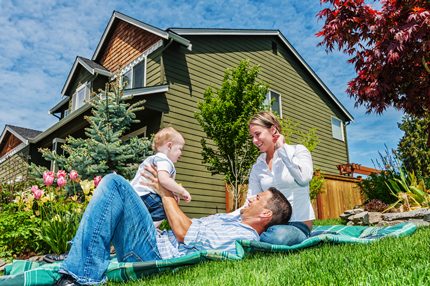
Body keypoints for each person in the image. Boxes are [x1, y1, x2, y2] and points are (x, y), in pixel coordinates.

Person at [56, 168, 292, 285]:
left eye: (258, 198)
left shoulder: (240, 234)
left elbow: (185, 232)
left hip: (151, 252)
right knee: (117, 193)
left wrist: (165, 193)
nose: (251, 198)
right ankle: (78, 257)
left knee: (115, 184)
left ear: (265, 213)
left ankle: (81, 279)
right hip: (155, 240)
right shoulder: (232, 220)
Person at [247, 111, 315, 245]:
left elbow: (304, 178)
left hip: (297, 224)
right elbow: (250, 199)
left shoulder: (298, 151)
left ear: (272, 130)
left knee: (276, 237)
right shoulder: (258, 166)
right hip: (267, 224)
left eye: (257, 134)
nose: (254, 141)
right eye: (252, 136)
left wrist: (282, 149)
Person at [129, 127, 191, 222]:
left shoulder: (154, 159)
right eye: (180, 149)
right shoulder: (164, 160)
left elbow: (162, 184)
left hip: (135, 195)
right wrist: (182, 191)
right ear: (169, 146)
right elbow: (164, 180)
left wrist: (176, 192)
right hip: (147, 196)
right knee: (166, 208)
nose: (181, 153)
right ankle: (150, 230)